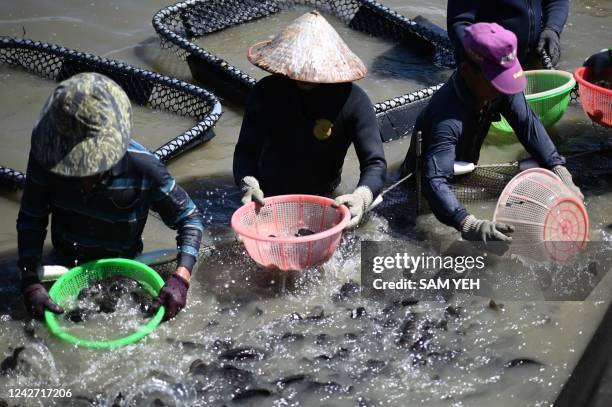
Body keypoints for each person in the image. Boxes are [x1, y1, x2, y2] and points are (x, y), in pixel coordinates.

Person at [17, 73, 204, 320]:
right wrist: (30, 280)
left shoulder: (144, 168)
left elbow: (190, 219)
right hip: (63, 268)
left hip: (125, 268)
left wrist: (181, 278)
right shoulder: (47, 158)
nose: (83, 175)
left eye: (91, 166)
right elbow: (32, 218)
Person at [399, 23, 582, 242]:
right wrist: (469, 223)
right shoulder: (447, 115)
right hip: (422, 188)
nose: (502, 89)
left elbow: (527, 124)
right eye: (496, 80)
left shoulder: (498, 90)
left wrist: (558, 169)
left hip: (463, 173)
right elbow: (434, 179)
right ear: (466, 70)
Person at [233, 11, 386, 228]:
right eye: (298, 69)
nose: (304, 76)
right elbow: (246, 151)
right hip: (267, 195)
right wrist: (248, 185)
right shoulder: (265, 93)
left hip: (324, 195)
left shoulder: (354, 101)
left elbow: (375, 163)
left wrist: (360, 198)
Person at [447, 0, 569, 67]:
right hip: (488, 72)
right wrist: (482, 59)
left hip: (532, 60)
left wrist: (552, 28)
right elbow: (459, 22)